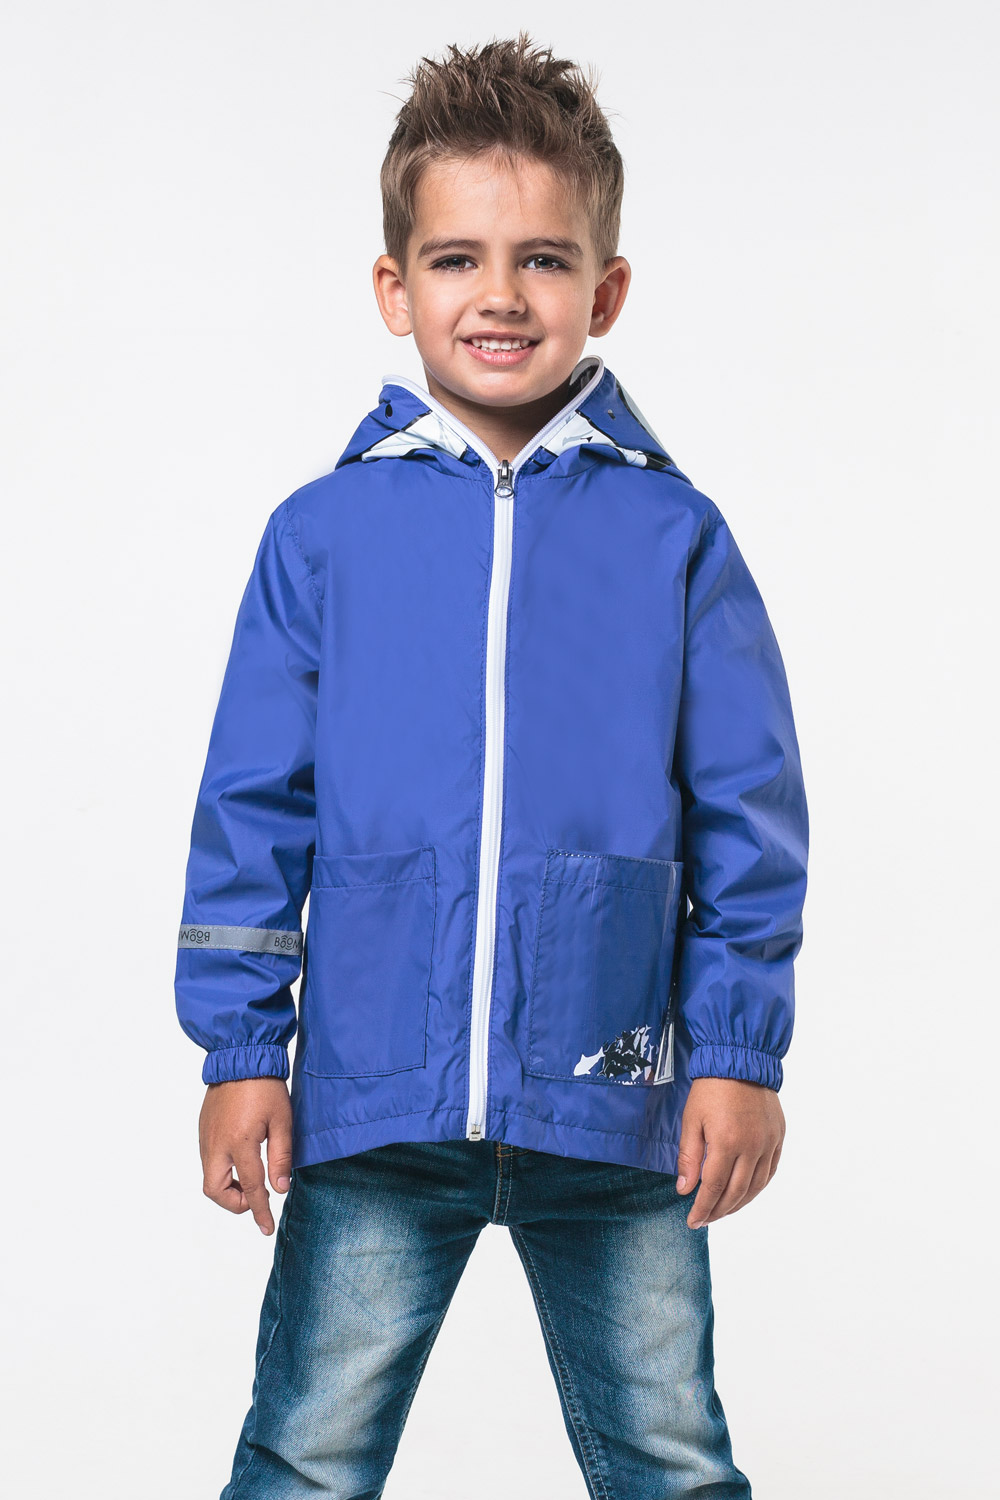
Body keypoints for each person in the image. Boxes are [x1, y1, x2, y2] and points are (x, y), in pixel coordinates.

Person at [175, 32, 809, 1499]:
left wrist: (738, 1053)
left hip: (616, 1102)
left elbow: (750, 813)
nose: (502, 295)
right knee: (305, 1456)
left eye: (544, 259)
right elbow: (252, 807)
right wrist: (239, 1051)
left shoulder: (676, 537)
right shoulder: (321, 535)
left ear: (608, 290)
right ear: (395, 288)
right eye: (457, 259)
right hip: (373, 1098)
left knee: (671, 1457)